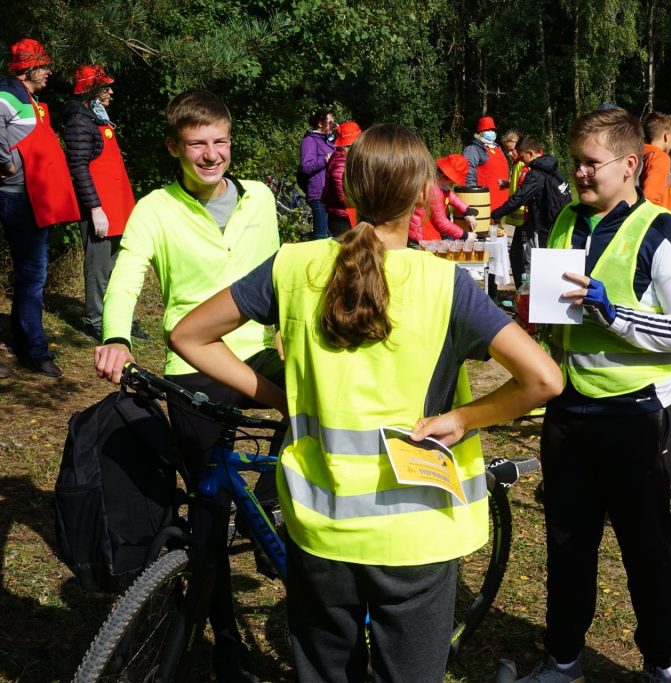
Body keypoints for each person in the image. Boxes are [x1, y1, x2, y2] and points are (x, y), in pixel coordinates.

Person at [168, 122, 562, 683]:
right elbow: (543, 379)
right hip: (417, 530)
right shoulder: (443, 284)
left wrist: (281, 397)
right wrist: (462, 418)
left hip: (321, 523)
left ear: (347, 190)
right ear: (425, 192)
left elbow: (188, 336)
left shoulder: (293, 266)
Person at [94, 88, 281, 682]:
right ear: (175, 147)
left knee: (316, 426)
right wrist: (117, 337)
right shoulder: (155, 207)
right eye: (196, 143)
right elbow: (127, 275)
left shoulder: (262, 199)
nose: (210, 154)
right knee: (208, 516)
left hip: (256, 356)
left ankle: (282, 516)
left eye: (219, 141)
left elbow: (283, 284)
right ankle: (225, 639)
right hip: (194, 367)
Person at [518, 107, 671, 683]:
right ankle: (563, 659)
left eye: (589, 163)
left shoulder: (659, 231)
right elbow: (556, 310)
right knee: (567, 543)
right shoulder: (567, 221)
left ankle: (659, 665)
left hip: (636, 413)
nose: (577, 173)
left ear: (630, 165)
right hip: (569, 408)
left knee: (645, 548)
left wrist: (614, 313)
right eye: (575, 160)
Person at [0, 38, 79, 378]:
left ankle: (30, 348)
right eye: (44, 66)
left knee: (33, 276)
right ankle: (31, 349)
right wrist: (4, 163)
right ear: (28, 69)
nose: (49, 71)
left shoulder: (31, 99)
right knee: (33, 276)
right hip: (14, 196)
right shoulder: (6, 94)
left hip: (33, 199)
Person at [62, 65, 148, 343]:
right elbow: (78, 167)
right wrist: (95, 209)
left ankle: (120, 318)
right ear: (90, 91)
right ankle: (96, 321)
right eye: (105, 87)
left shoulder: (97, 116)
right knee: (99, 269)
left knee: (119, 267)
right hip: (99, 208)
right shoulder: (78, 120)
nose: (111, 91)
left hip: (117, 207)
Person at [490, 135, 571, 288]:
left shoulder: (536, 173)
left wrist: (496, 214)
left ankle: (529, 298)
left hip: (542, 226)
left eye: (522, 157)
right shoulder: (552, 168)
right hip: (557, 222)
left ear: (530, 153)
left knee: (532, 263)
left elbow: (519, 198)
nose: (521, 161)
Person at [408, 153, 477, 242]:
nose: (451, 185)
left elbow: (449, 195)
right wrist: (465, 235)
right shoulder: (434, 190)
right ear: (444, 176)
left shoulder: (434, 181)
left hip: (423, 231)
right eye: (451, 183)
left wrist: (466, 211)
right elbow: (442, 222)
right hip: (423, 236)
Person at [298, 108, 336, 239]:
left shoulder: (326, 141)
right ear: (320, 123)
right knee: (321, 237)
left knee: (332, 237)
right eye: (330, 122)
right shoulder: (309, 141)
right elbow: (306, 167)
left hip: (329, 195)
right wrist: (326, 159)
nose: (333, 125)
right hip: (319, 195)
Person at [463, 115, 509, 212]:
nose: (492, 132)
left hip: (501, 203)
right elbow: (468, 173)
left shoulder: (497, 147)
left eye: (493, 130)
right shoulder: (473, 149)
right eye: (488, 130)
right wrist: (472, 195)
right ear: (480, 132)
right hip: (484, 202)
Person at [323, 120, 361, 236]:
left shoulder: (347, 159)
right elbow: (341, 196)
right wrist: (360, 204)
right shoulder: (341, 161)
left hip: (349, 213)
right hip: (343, 217)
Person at [640, 112, 671, 212]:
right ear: (666, 136)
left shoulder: (638, 154)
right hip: (657, 223)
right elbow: (650, 198)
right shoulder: (660, 157)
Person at [502, 129, 527, 230]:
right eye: (507, 151)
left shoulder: (523, 164)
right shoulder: (516, 163)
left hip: (524, 216)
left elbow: (525, 187)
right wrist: (509, 184)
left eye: (512, 150)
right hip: (518, 216)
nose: (509, 154)